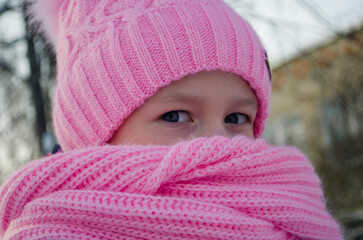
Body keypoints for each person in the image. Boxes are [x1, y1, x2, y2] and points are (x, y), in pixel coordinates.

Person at [0, 0, 342, 239]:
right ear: (95, 139)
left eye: (236, 117)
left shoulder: (295, 218)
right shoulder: (53, 231)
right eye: (176, 116)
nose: (217, 141)